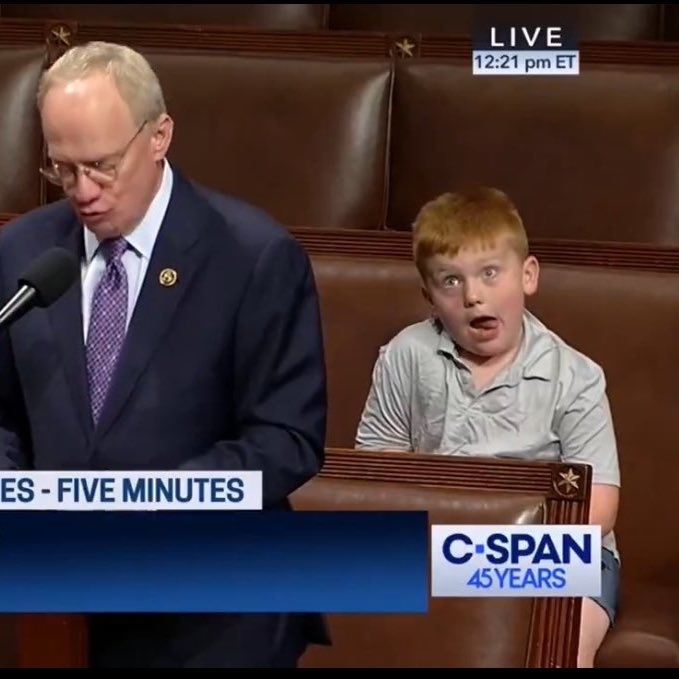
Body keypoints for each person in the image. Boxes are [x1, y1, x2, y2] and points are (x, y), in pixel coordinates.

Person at [0, 41, 330, 668]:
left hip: (211, 602)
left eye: (101, 165)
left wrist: (149, 502)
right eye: (63, 170)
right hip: (50, 593)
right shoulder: (24, 256)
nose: (83, 191)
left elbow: (287, 439)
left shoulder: (251, 256)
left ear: (159, 136)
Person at [355, 186, 621, 668]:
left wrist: (478, 552)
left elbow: (598, 509)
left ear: (528, 276)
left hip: (556, 552)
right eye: (450, 282)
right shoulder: (405, 355)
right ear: (429, 297)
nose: (474, 295)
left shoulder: (576, 376)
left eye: (490, 273)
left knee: (556, 642)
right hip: (431, 543)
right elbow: (377, 478)